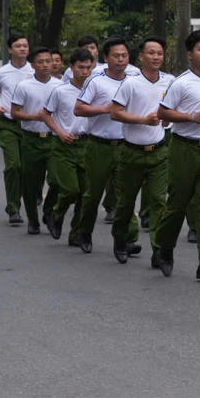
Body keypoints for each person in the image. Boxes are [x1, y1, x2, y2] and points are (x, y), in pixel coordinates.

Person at [155, 29, 200, 280]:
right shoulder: (181, 82)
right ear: (190, 54)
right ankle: (164, 248)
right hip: (184, 148)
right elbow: (163, 113)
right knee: (177, 204)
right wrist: (190, 117)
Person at [110, 37, 174, 265]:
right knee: (126, 202)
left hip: (158, 152)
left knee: (158, 201)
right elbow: (115, 112)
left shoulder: (170, 82)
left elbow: (171, 112)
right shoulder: (131, 83)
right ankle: (121, 238)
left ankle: (158, 250)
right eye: (151, 53)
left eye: (160, 53)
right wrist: (141, 120)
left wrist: (167, 121)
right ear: (141, 57)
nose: (156, 57)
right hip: (131, 152)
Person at [73, 38, 135, 253]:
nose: (120, 60)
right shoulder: (96, 81)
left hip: (126, 145)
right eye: (116, 56)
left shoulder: (134, 81)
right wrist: (105, 109)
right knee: (93, 194)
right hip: (99, 145)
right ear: (106, 58)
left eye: (124, 55)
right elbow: (79, 109)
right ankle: (84, 232)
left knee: (124, 195)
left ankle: (123, 239)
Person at [39, 47, 94, 243]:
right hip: (64, 145)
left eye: (88, 67)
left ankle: (76, 233)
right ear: (72, 67)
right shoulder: (60, 91)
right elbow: (44, 114)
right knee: (71, 189)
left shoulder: (94, 89)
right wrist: (60, 132)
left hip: (87, 145)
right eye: (81, 67)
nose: (85, 72)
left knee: (85, 194)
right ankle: (56, 212)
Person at [0, 34, 33, 224]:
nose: (22, 49)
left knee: (28, 169)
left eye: (25, 45)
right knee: (14, 166)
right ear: (10, 50)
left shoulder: (34, 70)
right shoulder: (1, 72)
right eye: (18, 46)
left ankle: (31, 199)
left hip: (31, 125)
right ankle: (13, 207)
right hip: (8, 124)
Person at [10, 48, 58, 235]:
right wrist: (34, 117)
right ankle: (32, 220)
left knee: (57, 180)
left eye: (49, 61)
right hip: (31, 139)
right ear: (33, 65)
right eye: (41, 61)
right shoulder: (24, 86)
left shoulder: (59, 85)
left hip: (53, 139)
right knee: (30, 183)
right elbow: (15, 113)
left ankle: (49, 212)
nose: (46, 65)